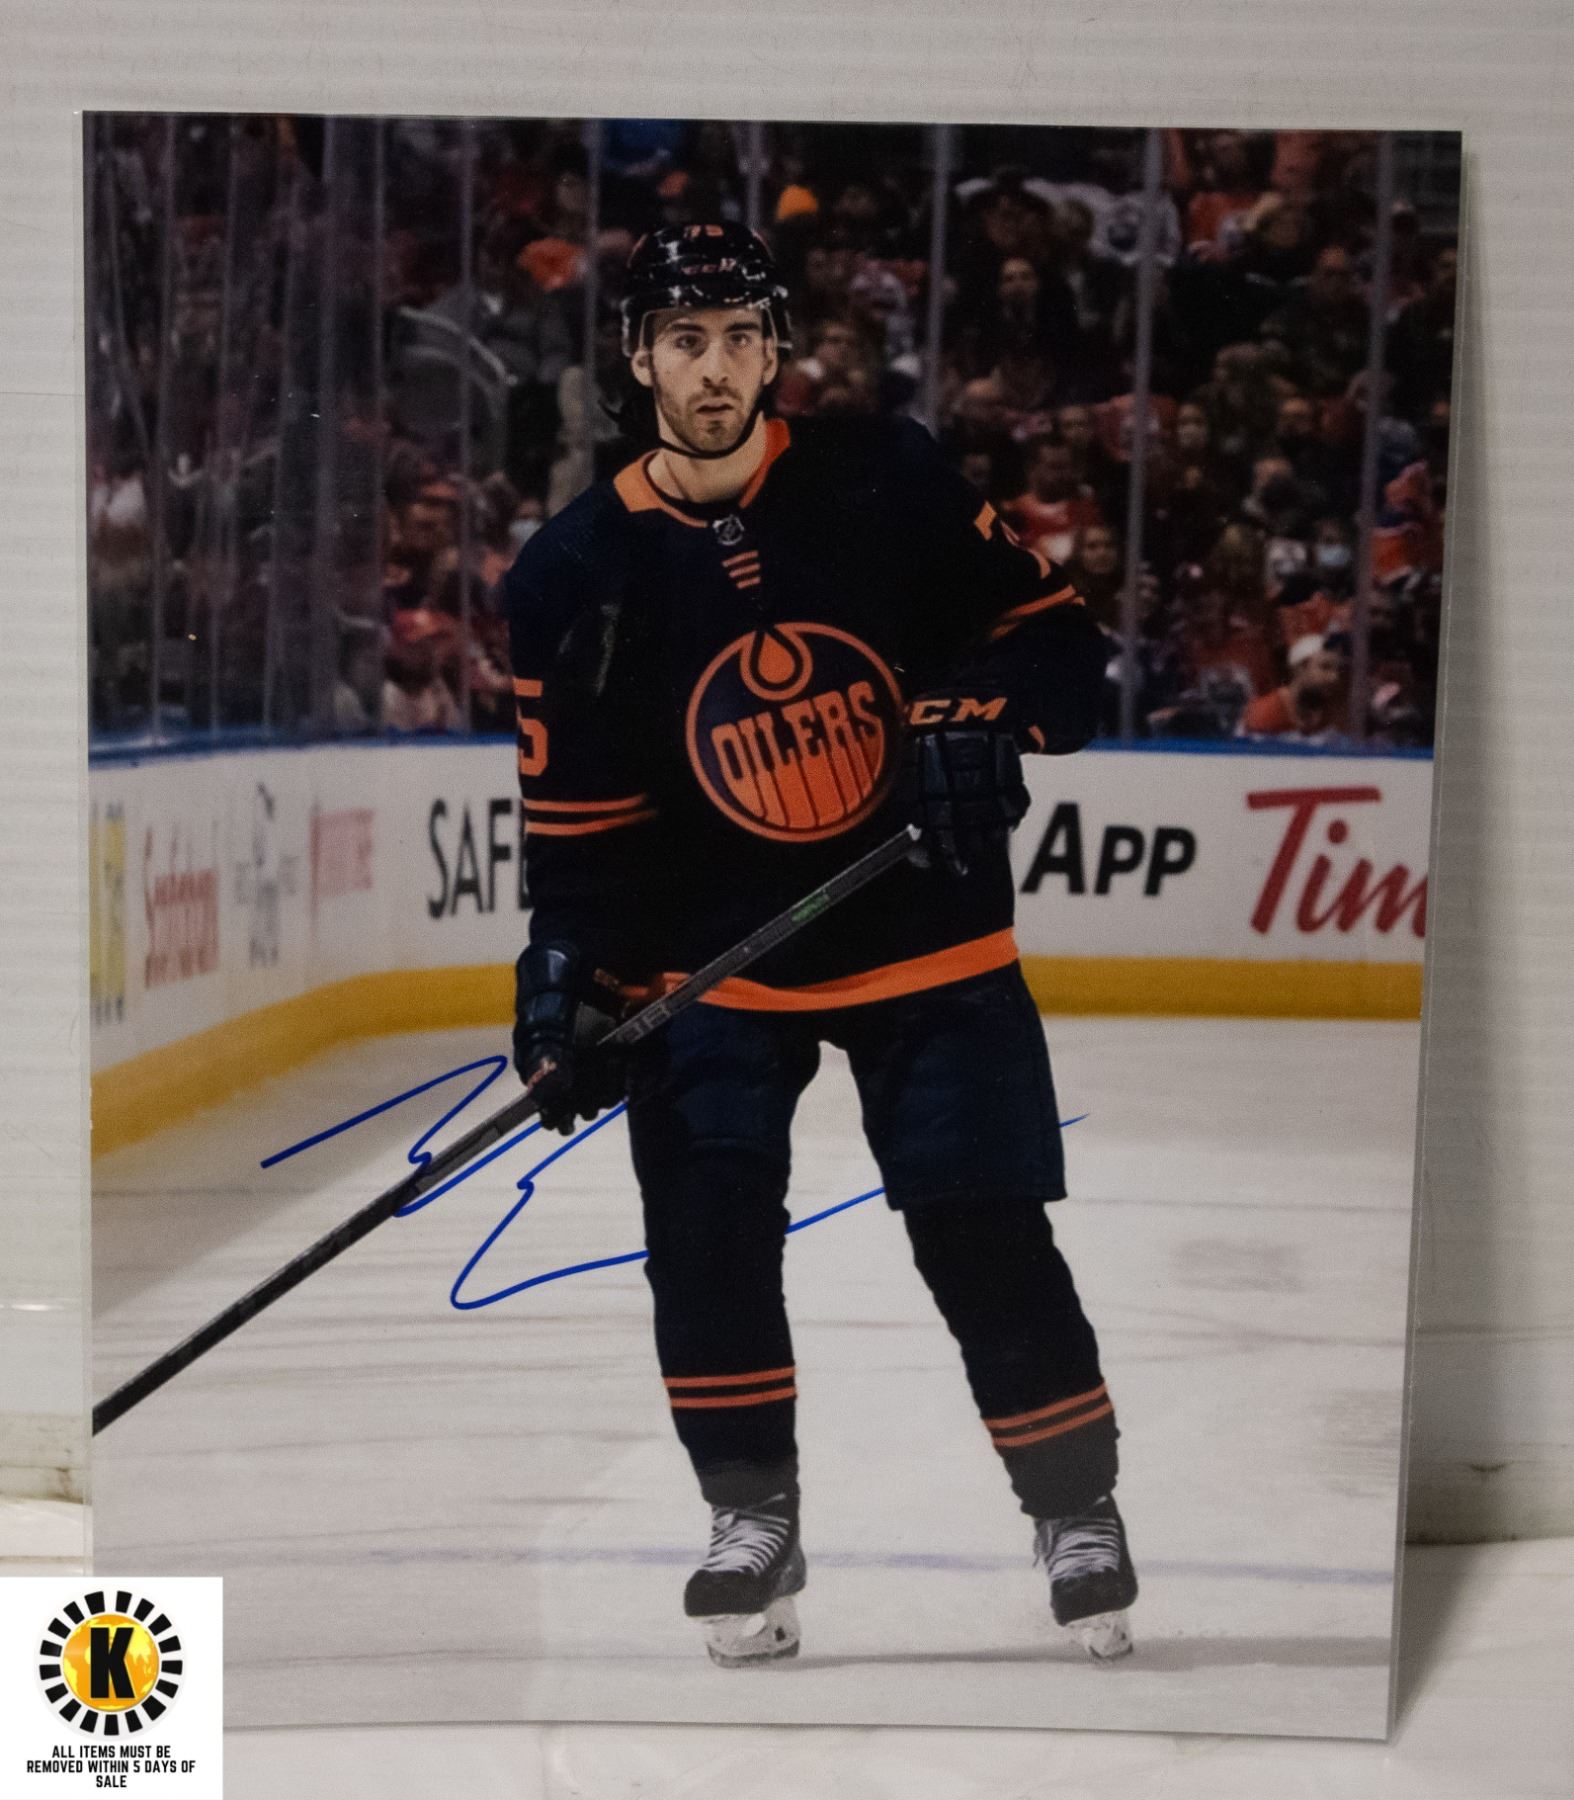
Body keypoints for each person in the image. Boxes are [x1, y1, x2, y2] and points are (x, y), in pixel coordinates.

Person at [504, 223, 1138, 1670]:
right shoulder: (572, 570)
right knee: (703, 1234)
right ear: (636, 357)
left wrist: (980, 717)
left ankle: (1074, 1509)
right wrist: (565, 982)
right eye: (684, 340)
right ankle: (750, 1516)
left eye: (739, 337)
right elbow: (582, 826)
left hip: (924, 931)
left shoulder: (883, 479)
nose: (714, 368)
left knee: (980, 1226)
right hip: (715, 957)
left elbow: (1060, 648)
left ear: (776, 348)